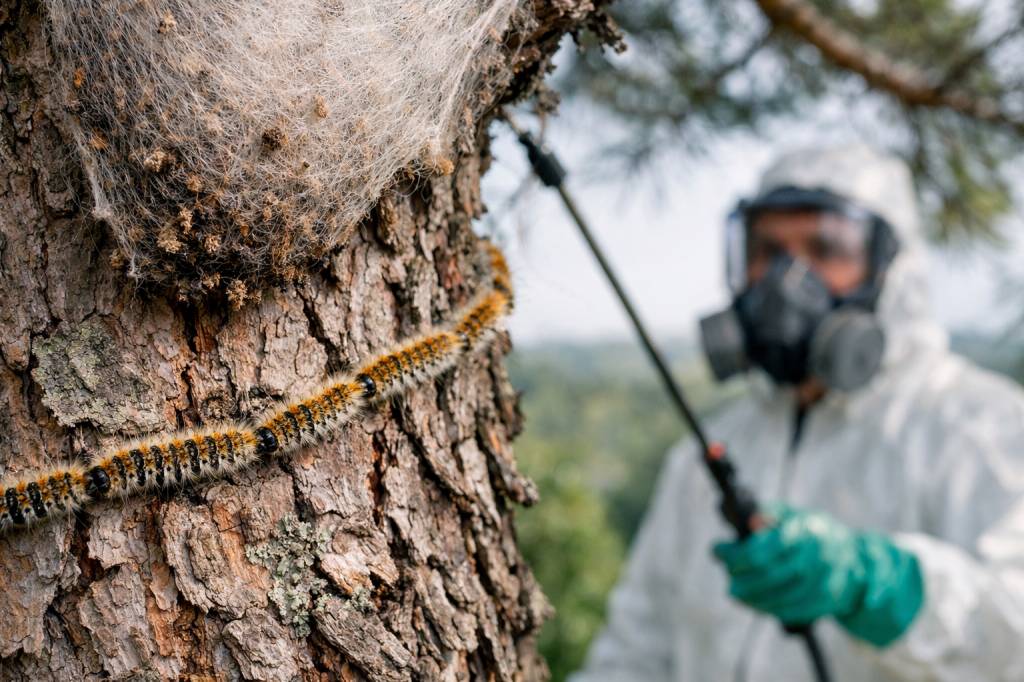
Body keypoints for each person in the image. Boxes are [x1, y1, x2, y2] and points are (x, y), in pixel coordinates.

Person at [570, 144, 1024, 681]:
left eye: (826, 247)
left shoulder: (979, 427)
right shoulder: (707, 453)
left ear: (891, 271)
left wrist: (878, 585)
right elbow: (634, 653)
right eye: (767, 248)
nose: (786, 278)